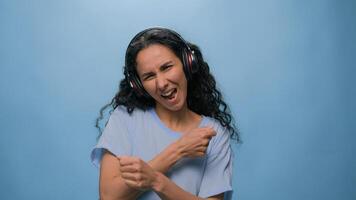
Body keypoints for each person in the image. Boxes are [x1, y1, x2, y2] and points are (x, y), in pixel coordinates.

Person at [91, 27, 240, 200]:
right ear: (139, 85)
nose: (161, 83)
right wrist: (178, 150)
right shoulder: (125, 118)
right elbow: (108, 197)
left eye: (167, 67)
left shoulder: (214, 133)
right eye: (149, 76)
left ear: (187, 63)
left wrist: (156, 180)